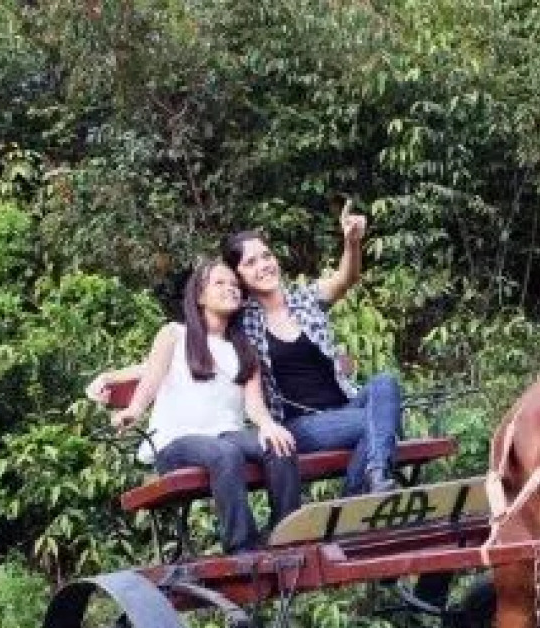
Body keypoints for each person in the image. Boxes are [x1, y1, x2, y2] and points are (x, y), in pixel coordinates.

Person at [85, 259, 301, 554]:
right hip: (175, 442)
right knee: (224, 453)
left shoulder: (245, 349)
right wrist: (133, 409)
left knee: (280, 444)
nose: (231, 289)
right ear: (200, 295)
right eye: (220, 283)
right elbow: (151, 376)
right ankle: (242, 548)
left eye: (235, 285)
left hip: (227, 436)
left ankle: (284, 535)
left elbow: (255, 405)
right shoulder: (175, 334)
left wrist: (268, 426)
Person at [222, 201, 404, 496]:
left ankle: (367, 484)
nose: (263, 265)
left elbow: (346, 279)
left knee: (385, 384)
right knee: (382, 421)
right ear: (239, 276)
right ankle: (366, 490)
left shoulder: (305, 299)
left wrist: (352, 242)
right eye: (250, 263)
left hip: (344, 407)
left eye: (266, 256)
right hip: (299, 425)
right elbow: (197, 333)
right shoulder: (242, 322)